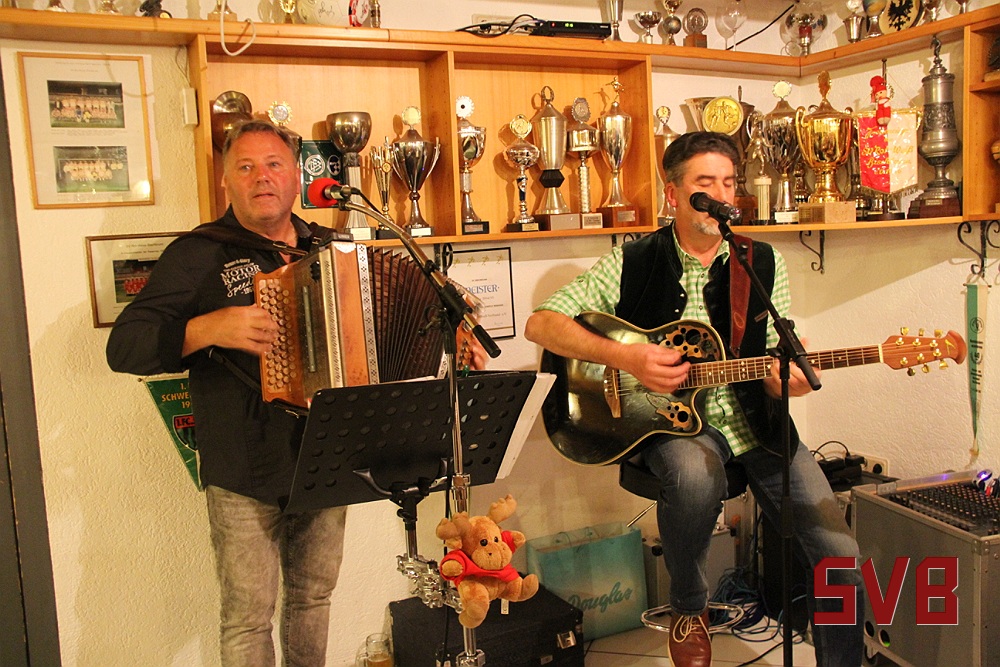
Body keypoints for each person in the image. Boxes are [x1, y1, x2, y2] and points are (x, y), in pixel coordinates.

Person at [107, 119, 485, 665]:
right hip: (243, 464)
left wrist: (453, 338)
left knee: (313, 598)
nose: (262, 177)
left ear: (296, 177)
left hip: (328, 456)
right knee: (247, 616)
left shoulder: (331, 248)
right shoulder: (197, 255)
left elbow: (393, 325)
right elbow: (124, 347)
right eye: (246, 167)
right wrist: (206, 328)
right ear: (226, 181)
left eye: (274, 164)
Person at [524, 132, 863, 667]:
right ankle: (689, 606)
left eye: (728, 183)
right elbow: (541, 324)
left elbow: (774, 355)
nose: (720, 196)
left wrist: (785, 379)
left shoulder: (762, 262)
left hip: (758, 424)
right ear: (673, 194)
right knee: (694, 474)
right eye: (706, 185)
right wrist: (627, 358)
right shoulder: (632, 260)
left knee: (841, 556)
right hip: (671, 421)